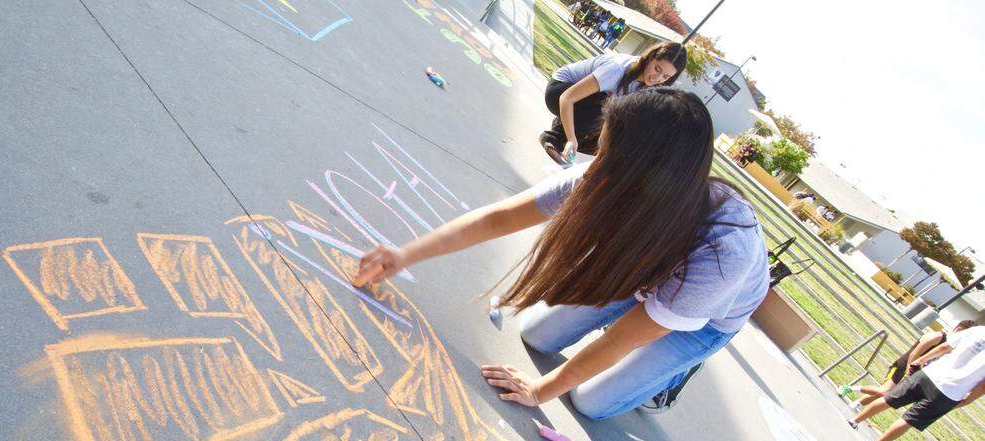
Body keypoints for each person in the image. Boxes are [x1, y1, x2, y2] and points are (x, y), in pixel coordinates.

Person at [356, 88, 769, 421]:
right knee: (537, 335)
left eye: (609, 153)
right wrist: (406, 254)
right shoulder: (605, 177)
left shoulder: (722, 252)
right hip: (645, 273)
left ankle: (668, 379)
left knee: (590, 402)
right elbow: (498, 219)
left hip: (704, 321)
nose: (596, 163)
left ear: (639, 167)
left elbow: (624, 339)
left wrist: (540, 390)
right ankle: (646, 307)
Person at [850, 325, 985, 441]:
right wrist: (968, 400)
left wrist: (920, 360)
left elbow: (945, 347)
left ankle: (855, 420)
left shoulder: (978, 330)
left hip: (930, 373)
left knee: (889, 399)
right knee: (910, 420)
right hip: (949, 393)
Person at [539, 43, 686, 164]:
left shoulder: (647, 87)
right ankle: (554, 138)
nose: (657, 78)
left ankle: (571, 143)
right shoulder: (616, 69)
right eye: (657, 69)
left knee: (615, 128)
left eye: (665, 76)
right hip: (558, 91)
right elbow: (566, 98)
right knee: (605, 106)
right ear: (650, 57)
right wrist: (571, 138)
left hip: (581, 102)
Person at [845, 321, 977, 406]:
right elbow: (915, 353)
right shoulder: (938, 337)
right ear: (958, 328)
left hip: (918, 372)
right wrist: (909, 370)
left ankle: (857, 404)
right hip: (905, 365)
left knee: (886, 395)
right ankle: (849, 388)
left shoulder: (953, 346)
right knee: (884, 391)